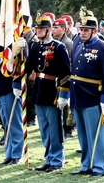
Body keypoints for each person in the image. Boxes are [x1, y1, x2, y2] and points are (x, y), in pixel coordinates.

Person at [70, 7, 104, 177]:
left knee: (96, 134)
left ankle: (99, 166)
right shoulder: (79, 45)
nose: (82, 32)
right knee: (83, 134)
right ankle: (86, 164)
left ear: (94, 31)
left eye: (86, 30)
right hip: (78, 95)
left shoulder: (103, 48)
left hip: (93, 96)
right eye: (81, 29)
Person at [25, 14, 70, 172]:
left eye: (42, 28)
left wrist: (63, 94)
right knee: (44, 128)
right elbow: (28, 66)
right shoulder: (36, 46)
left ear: (49, 30)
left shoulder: (58, 47)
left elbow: (66, 73)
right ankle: (49, 158)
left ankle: (57, 159)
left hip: (52, 91)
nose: (38, 31)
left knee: (54, 128)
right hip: (38, 90)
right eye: (37, 28)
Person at [0, 39, 26, 165]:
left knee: (13, 123)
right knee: (6, 124)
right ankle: (9, 153)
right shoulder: (3, 44)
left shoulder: (18, 44)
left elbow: (22, 65)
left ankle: (16, 154)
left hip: (8, 88)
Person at [52, 18, 74, 138]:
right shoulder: (54, 41)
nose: (54, 30)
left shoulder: (68, 42)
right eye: (53, 27)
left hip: (65, 76)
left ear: (64, 29)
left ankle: (68, 128)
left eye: (56, 27)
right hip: (55, 75)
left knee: (66, 104)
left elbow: (70, 62)